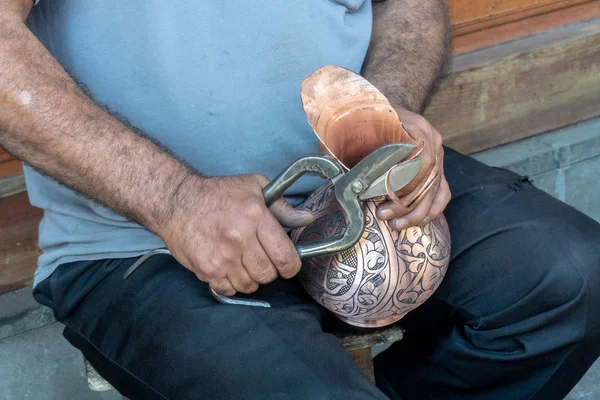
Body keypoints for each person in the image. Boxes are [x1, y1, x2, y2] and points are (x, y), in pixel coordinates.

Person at [1, 0, 599, 399]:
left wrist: (380, 115)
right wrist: (174, 198)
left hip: (359, 183)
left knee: (571, 278)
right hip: (146, 237)